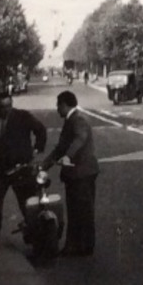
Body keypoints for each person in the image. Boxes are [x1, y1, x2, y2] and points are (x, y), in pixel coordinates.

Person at [42, 89, 99, 257]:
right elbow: (60, 148)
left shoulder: (78, 120)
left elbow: (79, 139)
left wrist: (68, 156)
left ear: (65, 105)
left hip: (81, 172)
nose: (57, 109)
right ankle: (77, 245)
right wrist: (45, 165)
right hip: (77, 173)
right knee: (76, 210)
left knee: (82, 211)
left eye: (58, 105)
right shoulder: (71, 120)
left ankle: (83, 246)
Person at [0, 91, 47, 241]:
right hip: (0, 169)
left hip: (21, 168)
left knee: (27, 203)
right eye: (2, 107)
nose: (5, 110)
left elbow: (40, 130)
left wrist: (37, 149)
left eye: (8, 106)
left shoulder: (23, 117)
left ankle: (34, 234)